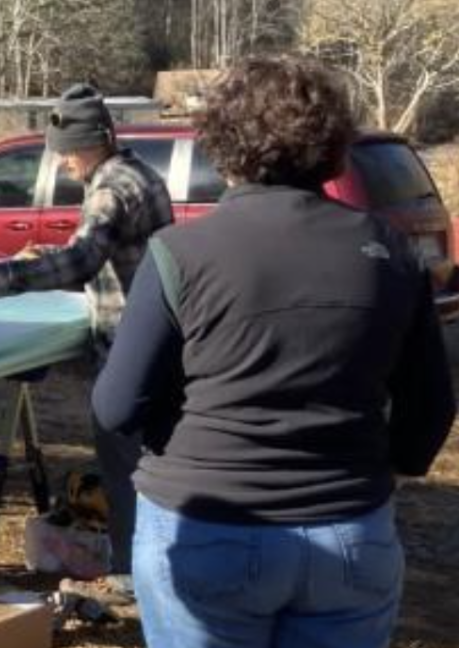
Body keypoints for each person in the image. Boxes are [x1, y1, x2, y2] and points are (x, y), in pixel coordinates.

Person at [93, 55, 456, 648]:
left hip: (206, 527)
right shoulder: (390, 251)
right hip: (349, 530)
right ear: (336, 148)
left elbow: (115, 407)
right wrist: (374, 466)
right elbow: (431, 410)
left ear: (221, 145)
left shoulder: (180, 253)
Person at [0, 83, 174, 604]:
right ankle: (151, 564)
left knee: (125, 463)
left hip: (132, 349)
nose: (62, 166)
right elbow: (102, 251)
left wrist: (2, 276)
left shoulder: (110, 189)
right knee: (147, 463)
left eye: (64, 155)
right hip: (157, 343)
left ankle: (134, 574)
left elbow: (83, 259)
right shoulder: (139, 173)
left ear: (91, 142)